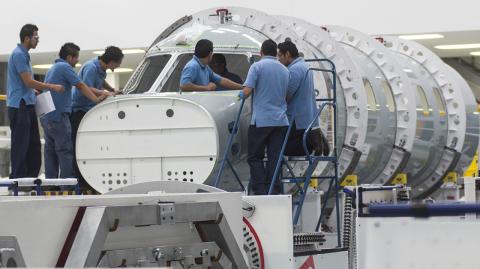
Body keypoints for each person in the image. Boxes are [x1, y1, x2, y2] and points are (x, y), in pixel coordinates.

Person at [7, 24, 65, 179]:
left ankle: (30, 177)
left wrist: (32, 90)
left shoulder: (24, 54)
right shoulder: (19, 54)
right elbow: (28, 81)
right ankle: (18, 179)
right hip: (19, 105)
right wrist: (51, 86)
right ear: (27, 38)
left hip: (27, 103)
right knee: (21, 144)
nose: (38, 40)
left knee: (33, 143)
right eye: (36, 37)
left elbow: (24, 82)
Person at [40, 43, 105, 180]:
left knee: (50, 151)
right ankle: (67, 183)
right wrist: (96, 100)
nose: (77, 61)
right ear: (69, 57)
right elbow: (81, 85)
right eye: (76, 58)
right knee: (65, 150)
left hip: (47, 115)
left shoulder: (52, 68)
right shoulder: (65, 67)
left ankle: (51, 183)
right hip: (59, 116)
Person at [238, 39, 289, 195]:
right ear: (275, 53)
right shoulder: (285, 70)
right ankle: (274, 189)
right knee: (275, 157)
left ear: (261, 52)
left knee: (255, 156)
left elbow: (246, 92)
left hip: (261, 121)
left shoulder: (257, 67)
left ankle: (260, 189)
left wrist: (238, 95)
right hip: (280, 121)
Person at [71, 46, 123, 188]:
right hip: (78, 110)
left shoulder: (100, 68)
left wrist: (112, 90)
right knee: (78, 146)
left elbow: (101, 80)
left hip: (88, 110)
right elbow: (86, 87)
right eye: (118, 63)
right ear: (111, 61)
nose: (119, 66)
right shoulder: (91, 67)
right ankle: (79, 182)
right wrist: (106, 94)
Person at [277, 40, 330, 157]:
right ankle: (316, 136)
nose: (279, 59)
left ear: (287, 54)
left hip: (296, 118)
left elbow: (287, 94)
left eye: (280, 56)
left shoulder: (294, 70)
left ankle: (312, 142)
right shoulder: (304, 66)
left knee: (277, 145)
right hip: (307, 116)